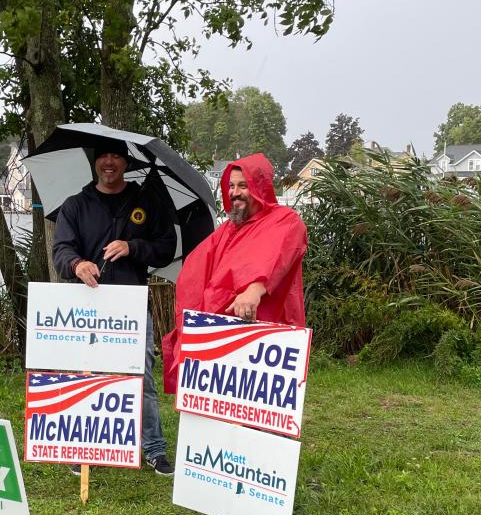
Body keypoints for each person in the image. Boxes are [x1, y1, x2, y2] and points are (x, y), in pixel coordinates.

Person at [52, 140, 176, 475]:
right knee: (87, 376)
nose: (109, 162)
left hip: (132, 306)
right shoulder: (75, 205)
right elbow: (60, 249)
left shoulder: (145, 201)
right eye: (103, 156)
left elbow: (166, 248)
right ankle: (86, 447)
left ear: (125, 162)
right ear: (95, 162)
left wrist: (133, 246)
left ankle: (154, 448)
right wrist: (77, 264)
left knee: (142, 379)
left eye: (116, 155)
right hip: (87, 307)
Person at [162, 153, 308, 392]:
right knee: (220, 413)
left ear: (259, 187)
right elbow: (197, 269)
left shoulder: (285, 221)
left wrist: (253, 290)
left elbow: (279, 256)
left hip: (266, 337)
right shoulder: (228, 230)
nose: (234, 192)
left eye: (243, 185)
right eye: (231, 186)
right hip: (222, 335)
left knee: (259, 413)